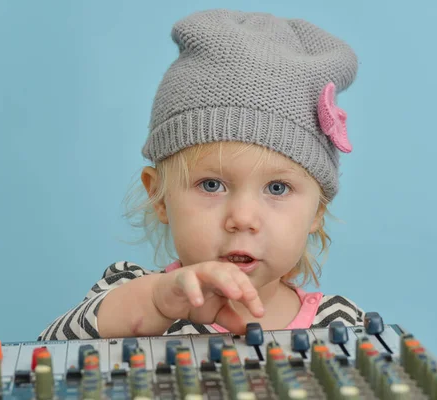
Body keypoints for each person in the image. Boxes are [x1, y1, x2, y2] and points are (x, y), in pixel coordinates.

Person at [39, 9, 365, 341]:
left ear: (317, 211)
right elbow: (45, 353)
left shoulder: (339, 324)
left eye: (277, 187)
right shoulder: (134, 299)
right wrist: (155, 304)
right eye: (212, 185)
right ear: (159, 197)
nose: (242, 218)